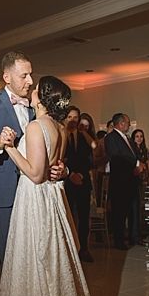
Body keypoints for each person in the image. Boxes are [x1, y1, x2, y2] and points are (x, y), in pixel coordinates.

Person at [0, 76, 119, 296]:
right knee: (52, 262)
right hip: (52, 199)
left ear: (42, 97)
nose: (31, 89)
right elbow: (54, 167)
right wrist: (62, 170)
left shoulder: (36, 127)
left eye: (36, 88)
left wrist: (10, 148)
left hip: (35, 199)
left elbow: (35, 175)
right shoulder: (59, 128)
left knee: (36, 261)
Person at [0, 51, 59, 263]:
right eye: (24, 76)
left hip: (34, 190)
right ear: (7, 77)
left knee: (35, 254)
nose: (30, 81)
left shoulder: (35, 109)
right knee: (11, 256)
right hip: (3, 191)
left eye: (30, 75)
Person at [104, 113, 145, 250]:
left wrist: (139, 163)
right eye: (127, 123)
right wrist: (135, 164)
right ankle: (119, 240)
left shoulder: (127, 138)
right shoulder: (111, 138)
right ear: (121, 123)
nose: (129, 125)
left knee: (134, 209)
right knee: (119, 211)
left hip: (132, 179)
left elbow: (134, 154)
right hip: (120, 180)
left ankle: (134, 237)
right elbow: (117, 157)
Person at [63, 106, 97, 262]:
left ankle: (84, 248)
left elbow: (90, 156)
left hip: (83, 182)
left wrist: (81, 174)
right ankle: (69, 250)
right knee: (68, 217)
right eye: (69, 117)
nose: (72, 120)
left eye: (75, 117)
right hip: (67, 182)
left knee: (84, 217)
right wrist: (70, 174)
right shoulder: (61, 135)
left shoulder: (84, 136)